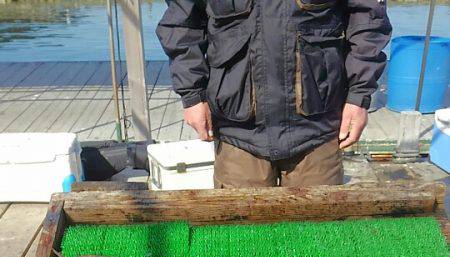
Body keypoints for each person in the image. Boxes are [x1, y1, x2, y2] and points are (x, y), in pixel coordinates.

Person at [157, 1, 392, 189]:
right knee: (242, 238)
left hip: (317, 126)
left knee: (317, 236)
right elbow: (182, 25)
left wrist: (358, 96)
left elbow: (368, 19)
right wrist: (193, 95)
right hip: (239, 130)